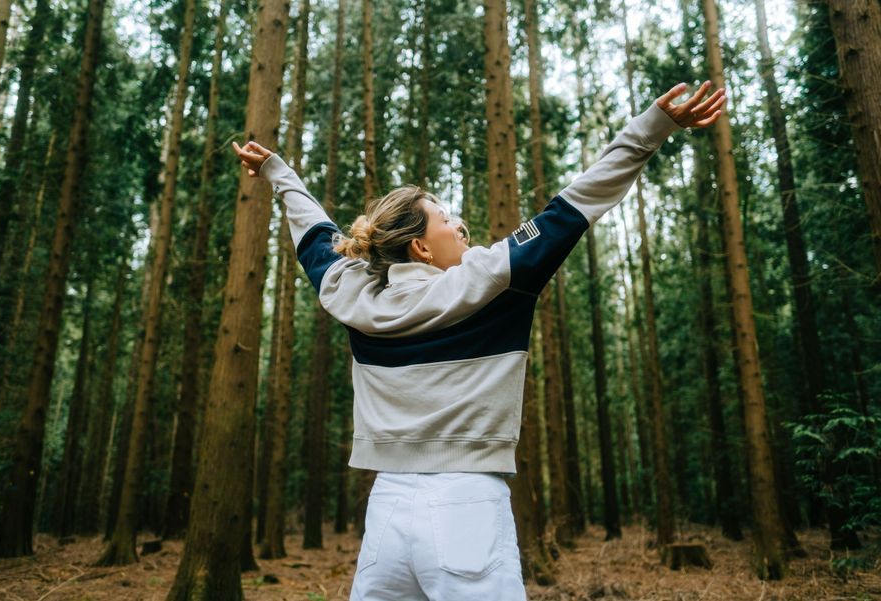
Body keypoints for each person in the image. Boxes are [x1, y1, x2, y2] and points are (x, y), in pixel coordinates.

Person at [233, 79, 724, 601]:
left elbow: (313, 232)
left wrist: (277, 173)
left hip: (386, 512)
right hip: (466, 503)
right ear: (421, 247)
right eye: (446, 219)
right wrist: (657, 125)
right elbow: (577, 202)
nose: (461, 224)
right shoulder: (492, 277)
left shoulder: (351, 293)